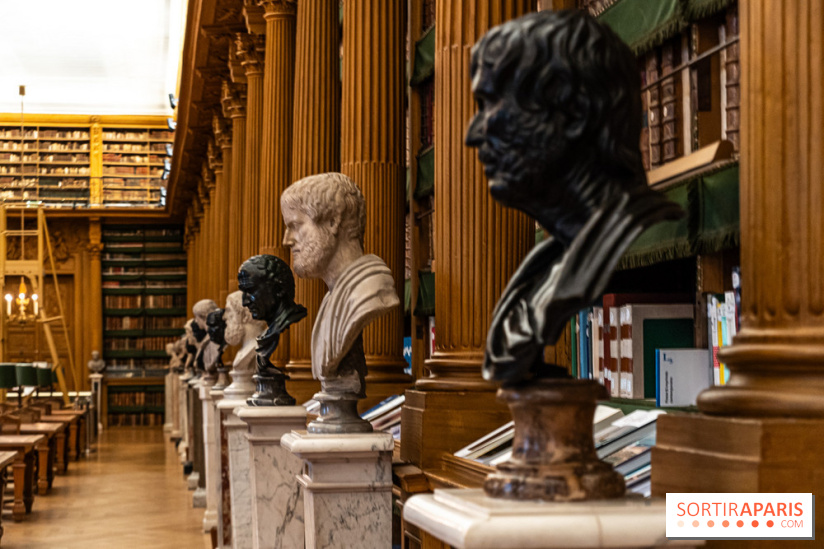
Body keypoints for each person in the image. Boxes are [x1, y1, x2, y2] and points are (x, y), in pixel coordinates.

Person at [465, 10, 683, 386]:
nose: (473, 133)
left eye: (491, 103)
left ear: (573, 111)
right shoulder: (543, 267)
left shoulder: (621, 236)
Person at [281, 172, 399, 432]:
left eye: (295, 225)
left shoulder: (369, 292)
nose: (286, 240)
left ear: (333, 221)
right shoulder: (331, 300)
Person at [237, 254, 307, 406]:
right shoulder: (267, 335)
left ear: (277, 288)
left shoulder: (299, 330)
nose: (244, 302)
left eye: (251, 290)